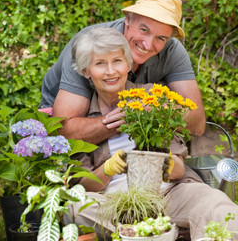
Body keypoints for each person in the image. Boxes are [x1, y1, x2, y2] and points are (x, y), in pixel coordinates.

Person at [63, 27, 238, 241]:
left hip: (170, 194)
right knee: (76, 206)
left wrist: (169, 163)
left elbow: (180, 170)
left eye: (117, 61)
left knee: (214, 202)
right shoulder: (83, 121)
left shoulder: (153, 98)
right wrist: (107, 169)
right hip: (117, 204)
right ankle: (160, 229)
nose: (111, 71)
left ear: (128, 64)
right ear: (85, 71)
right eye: (100, 63)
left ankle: (149, 231)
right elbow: (83, 186)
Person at [39, 0, 206, 143]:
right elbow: (64, 130)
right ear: (128, 20)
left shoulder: (172, 51)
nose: (147, 45)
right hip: (69, 120)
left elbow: (197, 123)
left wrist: (153, 111)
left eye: (161, 38)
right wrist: (128, 117)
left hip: (120, 118)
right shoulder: (90, 44)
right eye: (144, 30)